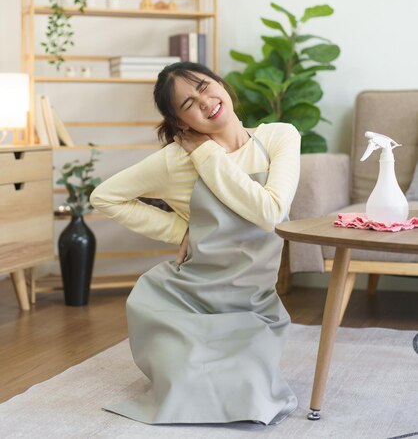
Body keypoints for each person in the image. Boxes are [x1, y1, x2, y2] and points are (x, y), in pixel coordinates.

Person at [90, 61, 301, 425]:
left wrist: (206, 154)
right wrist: (183, 231)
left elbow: (271, 212)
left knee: (251, 396)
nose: (204, 101)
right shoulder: (174, 161)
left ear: (221, 83)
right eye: (188, 103)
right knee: (186, 394)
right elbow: (104, 197)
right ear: (182, 123)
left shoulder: (278, 137)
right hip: (186, 299)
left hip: (251, 303)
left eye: (204, 87)